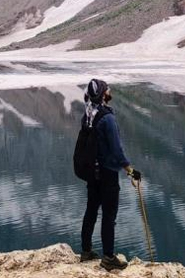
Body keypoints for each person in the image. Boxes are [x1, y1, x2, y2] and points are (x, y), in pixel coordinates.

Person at [79, 79, 141, 271]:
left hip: (92, 172)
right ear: (104, 94)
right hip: (107, 174)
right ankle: (108, 257)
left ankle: (86, 251)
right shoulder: (108, 118)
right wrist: (131, 170)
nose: (110, 90)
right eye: (107, 89)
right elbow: (116, 150)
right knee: (109, 215)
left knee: (91, 211)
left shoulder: (88, 114)